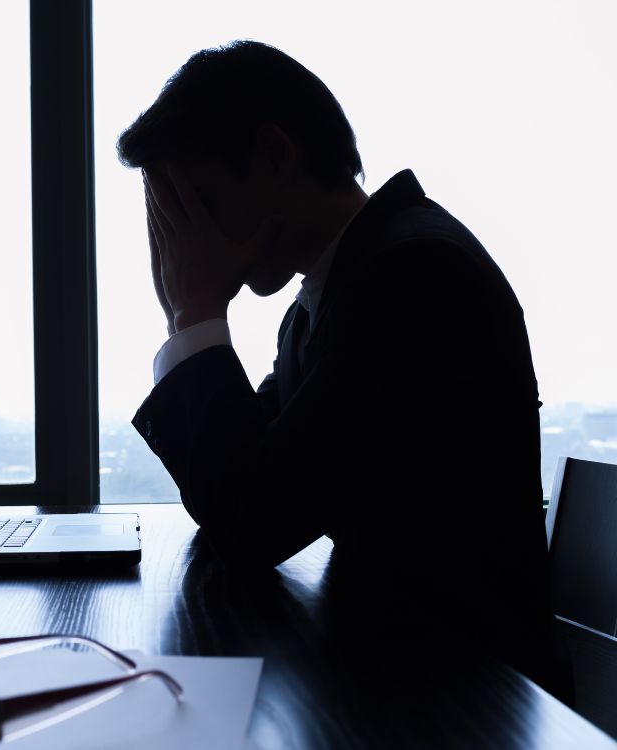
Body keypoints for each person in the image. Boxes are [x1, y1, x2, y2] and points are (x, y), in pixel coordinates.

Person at [119, 40, 567, 696]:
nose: (184, 243)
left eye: (194, 206)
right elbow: (239, 490)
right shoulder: (331, 293)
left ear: (273, 158)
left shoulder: (412, 274)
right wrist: (191, 318)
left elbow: (251, 522)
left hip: (464, 703)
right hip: (400, 674)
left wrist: (194, 313)